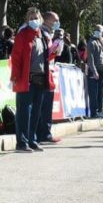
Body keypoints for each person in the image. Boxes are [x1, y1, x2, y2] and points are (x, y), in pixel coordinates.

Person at [10, 6, 53, 152]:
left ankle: (32, 140)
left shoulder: (42, 36)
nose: (34, 20)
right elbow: (16, 57)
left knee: (36, 112)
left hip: (41, 78)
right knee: (24, 112)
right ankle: (21, 143)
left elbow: (46, 57)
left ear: (41, 19)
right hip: (27, 78)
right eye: (31, 18)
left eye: (36, 18)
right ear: (27, 20)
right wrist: (15, 76)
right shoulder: (22, 35)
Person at [35, 10, 63, 144]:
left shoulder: (50, 34)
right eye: (55, 20)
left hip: (50, 71)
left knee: (47, 105)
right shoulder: (42, 33)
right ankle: (42, 133)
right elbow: (44, 54)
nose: (57, 23)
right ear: (46, 20)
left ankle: (45, 132)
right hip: (43, 72)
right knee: (43, 105)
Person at [85, 24, 103, 119]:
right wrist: (94, 71)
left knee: (102, 92)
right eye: (96, 29)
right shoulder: (91, 42)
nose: (97, 31)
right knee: (94, 93)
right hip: (94, 71)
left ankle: (100, 111)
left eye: (99, 30)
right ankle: (94, 112)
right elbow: (90, 59)